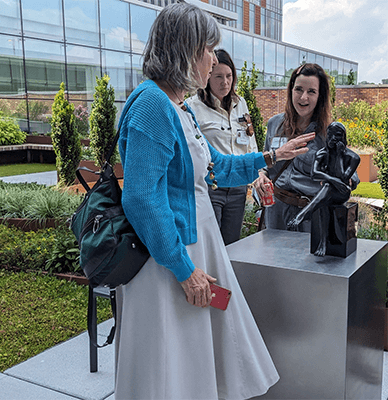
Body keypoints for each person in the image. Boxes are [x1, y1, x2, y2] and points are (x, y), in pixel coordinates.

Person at [114, 3, 315, 399]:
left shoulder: (177, 105)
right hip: (167, 262)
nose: (213, 60)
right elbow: (140, 198)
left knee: (189, 359)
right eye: (208, 50)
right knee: (168, 363)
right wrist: (184, 269)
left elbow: (216, 168)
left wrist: (273, 156)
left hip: (191, 251)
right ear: (185, 51)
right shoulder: (153, 105)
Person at [253, 63, 359, 232]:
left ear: (320, 96)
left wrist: (346, 178)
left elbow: (352, 174)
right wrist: (261, 175)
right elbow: (266, 165)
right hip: (276, 213)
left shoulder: (328, 132)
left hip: (311, 216)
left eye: (311, 92)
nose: (303, 98)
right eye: (299, 89)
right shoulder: (275, 124)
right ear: (291, 91)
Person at [187, 49, 258, 245]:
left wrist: (258, 173)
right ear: (208, 76)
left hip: (238, 187)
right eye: (218, 76)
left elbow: (250, 140)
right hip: (211, 187)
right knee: (211, 245)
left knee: (232, 245)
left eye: (229, 76)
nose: (225, 82)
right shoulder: (192, 106)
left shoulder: (240, 103)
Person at [287, 122, 360, 255]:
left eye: (337, 136)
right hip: (329, 191)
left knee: (326, 189)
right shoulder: (321, 153)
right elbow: (314, 174)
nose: (332, 139)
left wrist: (338, 156)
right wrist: (332, 180)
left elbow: (343, 176)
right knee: (325, 202)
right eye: (330, 135)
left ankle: (303, 214)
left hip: (342, 193)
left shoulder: (353, 157)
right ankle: (323, 243)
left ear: (343, 139)